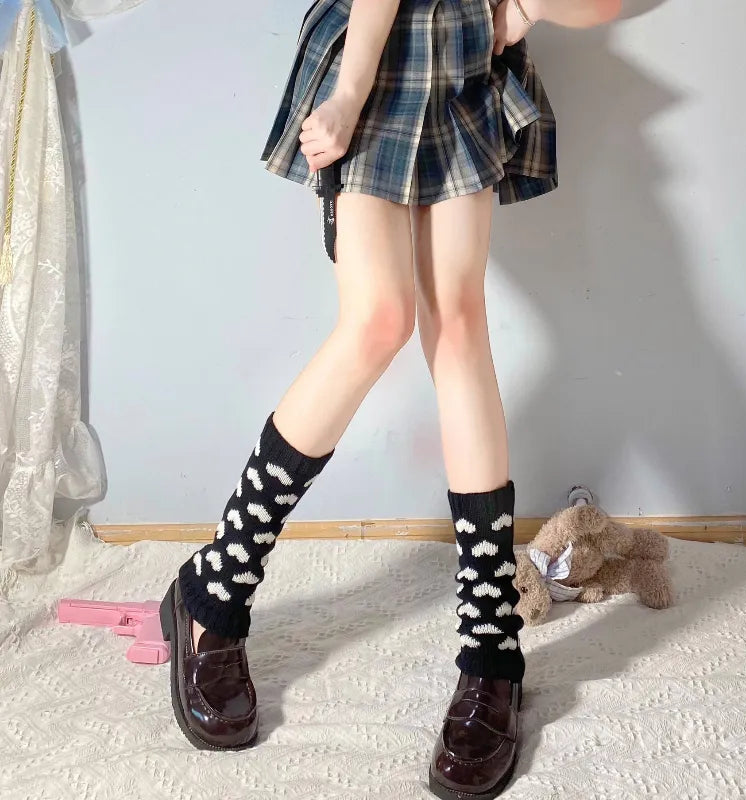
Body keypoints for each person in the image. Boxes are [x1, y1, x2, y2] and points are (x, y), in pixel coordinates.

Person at [159, 0, 620, 796]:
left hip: (460, 50)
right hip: (375, 47)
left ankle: (492, 646)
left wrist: (525, 8)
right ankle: (217, 586)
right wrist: (347, 90)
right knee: (377, 321)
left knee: (460, 321)